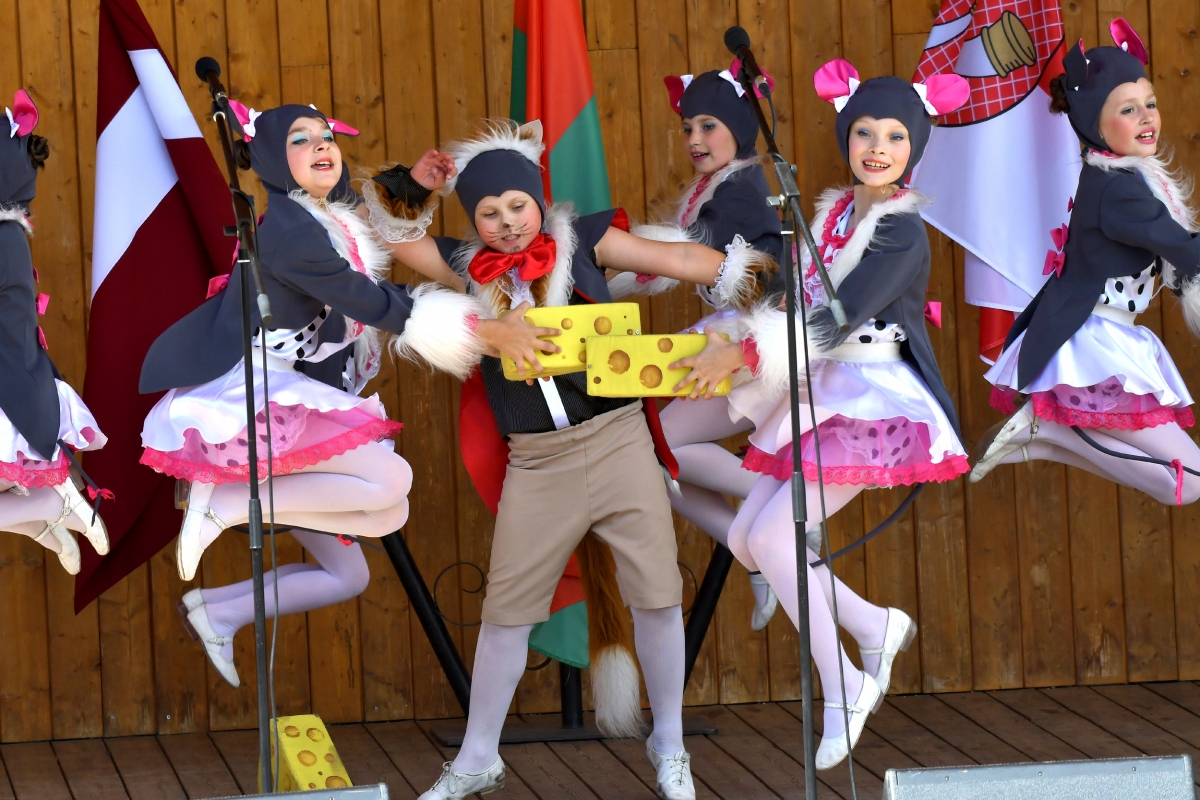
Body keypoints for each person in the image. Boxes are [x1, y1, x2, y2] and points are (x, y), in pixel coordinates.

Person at [372, 119, 775, 800]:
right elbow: (396, 238)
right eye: (490, 213)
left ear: (538, 201)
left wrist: (764, 278)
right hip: (536, 461)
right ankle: (477, 756)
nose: (507, 223)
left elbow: (677, 259)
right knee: (506, 612)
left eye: (518, 206)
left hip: (620, 441)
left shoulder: (583, 237)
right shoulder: (466, 264)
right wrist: (416, 185)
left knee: (657, 595)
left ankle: (669, 742)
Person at [673, 61, 971, 769]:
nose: (877, 147)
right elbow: (800, 298)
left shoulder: (902, 231)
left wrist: (745, 353)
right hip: (822, 387)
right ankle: (872, 624)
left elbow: (836, 320)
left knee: (772, 540)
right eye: (864, 132)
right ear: (846, 138)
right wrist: (744, 328)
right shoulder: (836, 214)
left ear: (915, 146)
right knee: (746, 536)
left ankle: (844, 687)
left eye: (895, 136)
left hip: (872, 403)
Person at [139, 103, 467, 685]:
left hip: (312, 397)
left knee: (367, 547)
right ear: (270, 158)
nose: (321, 145)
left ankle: (218, 610)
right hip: (271, 404)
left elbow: (365, 218)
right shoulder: (292, 232)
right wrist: (477, 329)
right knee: (392, 482)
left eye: (326, 136)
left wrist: (413, 186)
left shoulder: (324, 215)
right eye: (300, 139)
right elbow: (369, 297)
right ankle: (224, 505)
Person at [971, 19, 1200, 509]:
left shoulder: (1119, 178)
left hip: (1110, 335)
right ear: (1096, 123)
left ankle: (1041, 437)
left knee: (1182, 486)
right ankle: (1044, 430)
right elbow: (1185, 249)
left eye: (1150, 103)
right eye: (1128, 109)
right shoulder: (1119, 190)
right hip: (1095, 343)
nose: (1147, 117)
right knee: (1191, 480)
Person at [615, 61, 785, 630]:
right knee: (659, 464)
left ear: (740, 127)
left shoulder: (738, 191)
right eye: (688, 127)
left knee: (656, 453)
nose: (694, 138)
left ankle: (786, 504)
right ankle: (759, 557)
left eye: (708, 125)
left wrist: (602, 256)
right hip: (737, 328)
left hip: (756, 339)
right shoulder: (721, 185)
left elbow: (681, 254)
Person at [0, 88, 109, 575]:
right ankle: (46, 521)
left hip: (10, 395)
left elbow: (13, 331)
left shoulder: (3, 239)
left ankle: (53, 507)